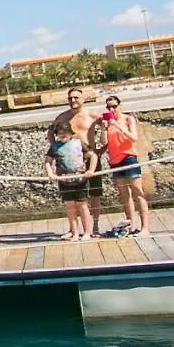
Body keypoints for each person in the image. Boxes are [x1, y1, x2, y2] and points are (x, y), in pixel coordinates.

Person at [51, 86, 105, 236]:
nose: (73, 100)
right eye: (70, 98)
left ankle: (95, 226)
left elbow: (105, 134)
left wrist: (101, 150)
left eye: (76, 97)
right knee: (71, 198)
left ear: (83, 99)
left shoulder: (92, 116)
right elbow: (51, 133)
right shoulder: (62, 118)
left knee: (94, 194)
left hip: (89, 159)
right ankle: (72, 229)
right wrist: (56, 151)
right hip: (69, 162)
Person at [102, 95, 151, 236]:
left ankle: (145, 227)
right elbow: (104, 142)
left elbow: (134, 138)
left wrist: (117, 125)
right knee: (124, 195)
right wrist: (104, 128)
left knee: (137, 190)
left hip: (128, 157)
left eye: (114, 106)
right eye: (108, 107)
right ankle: (130, 225)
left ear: (119, 106)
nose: (112, 109)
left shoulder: (128, 119)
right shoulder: (107, 123)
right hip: (114, 160)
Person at [45, 121, 97, 241]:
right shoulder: (54, 147)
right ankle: (74, 233)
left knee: (82, 205)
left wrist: (91, 170)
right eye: (60, 133)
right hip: (64, 181)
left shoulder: (79, 143)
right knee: (70, 206)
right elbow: (48, 161)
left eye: (66, 132)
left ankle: (87, 232)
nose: (63, 135)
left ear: (70, 133)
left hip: (80, 179)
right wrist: (50, 173)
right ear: (57, 134)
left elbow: (93, 155)